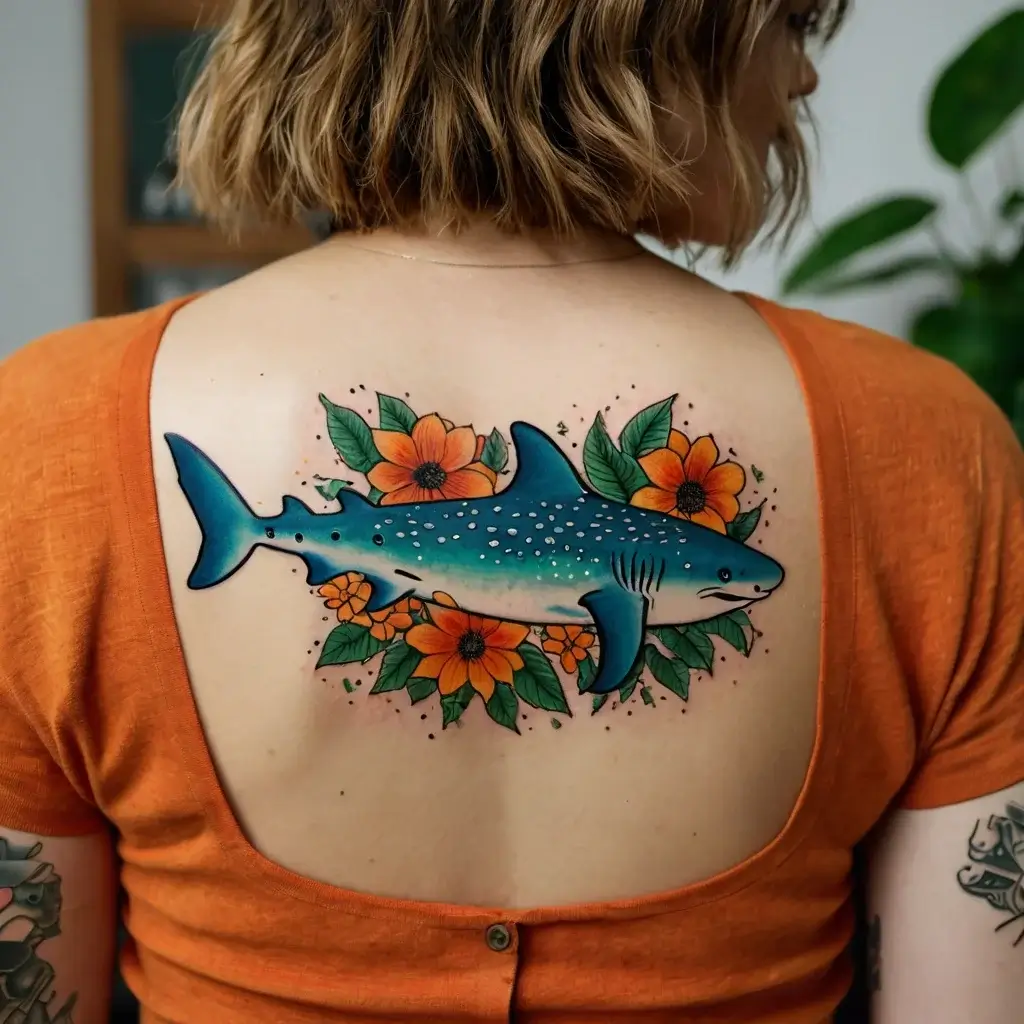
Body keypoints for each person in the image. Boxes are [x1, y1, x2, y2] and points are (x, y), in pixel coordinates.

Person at [0, 1, 1020, 1020]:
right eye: (792, 20)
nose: (803, 80)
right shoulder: (927, 443)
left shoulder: (47, 433)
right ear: (663, 26)